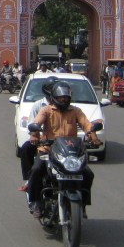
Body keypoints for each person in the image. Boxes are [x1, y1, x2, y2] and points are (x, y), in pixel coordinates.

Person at [24, 81, 100, 217]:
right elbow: (37, 122)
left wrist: (93, 136)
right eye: (60, 97)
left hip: (69, 152)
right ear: (54, 97)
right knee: (36, 171)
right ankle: (35, 202)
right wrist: (34, 135)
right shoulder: (46, 110)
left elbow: (87, 125)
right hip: (48, 150)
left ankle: (82, 205)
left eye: (66, 97)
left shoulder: (75, 110)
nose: (63, 99)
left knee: (88, 174)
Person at [18, 76, 57, 183]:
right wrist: (35, 134)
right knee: (26, 148)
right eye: (53, 89)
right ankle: (28, 180)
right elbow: (32, 123)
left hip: (61, 142)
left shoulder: (65, 107)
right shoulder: (38, 105)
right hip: (42, 141)